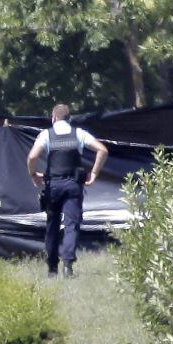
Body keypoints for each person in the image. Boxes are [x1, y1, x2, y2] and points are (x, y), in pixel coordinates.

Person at [27, 104, 108, 278]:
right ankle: (68, 266)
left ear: (53, 118)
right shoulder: (79, 134)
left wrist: (33, 174)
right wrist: (94, 173)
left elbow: (32, 156)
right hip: (73, 186)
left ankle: (52, 268)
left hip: (53, 187)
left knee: (52, 226)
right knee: (72, 225)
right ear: (69, 119)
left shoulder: (46, 135)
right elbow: (102, 150)